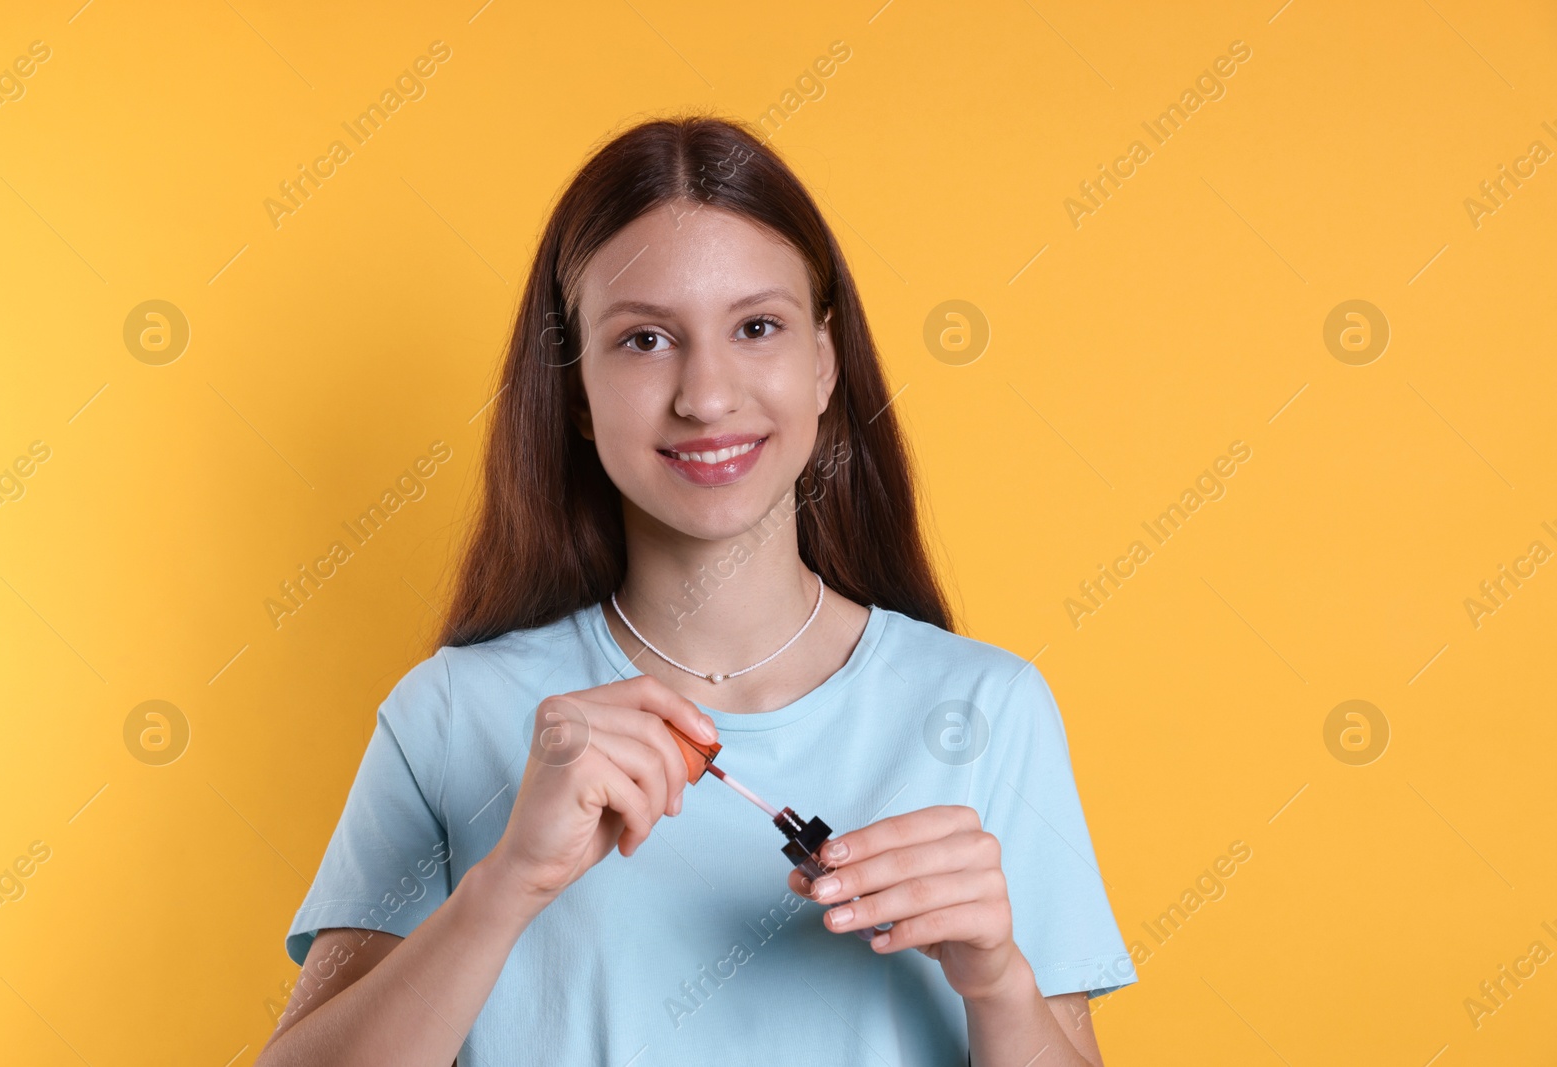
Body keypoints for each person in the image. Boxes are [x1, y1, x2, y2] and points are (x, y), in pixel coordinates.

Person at [256, 113, 1136, 1067]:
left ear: (825, 362)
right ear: (577, 391)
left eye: (757, 327)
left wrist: (997, 978)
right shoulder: (447, 716)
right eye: (643, 341)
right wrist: (506, 884)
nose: (706, 395)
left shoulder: (987, 710)